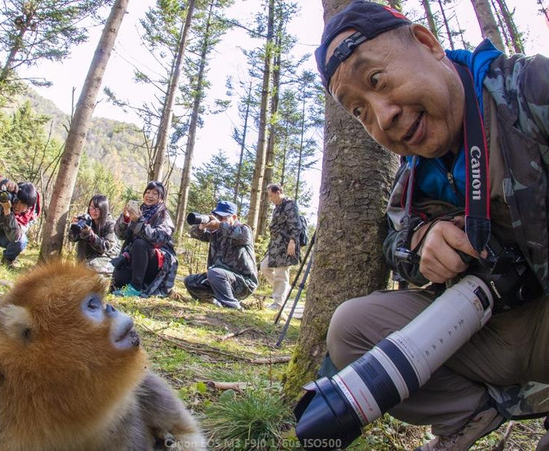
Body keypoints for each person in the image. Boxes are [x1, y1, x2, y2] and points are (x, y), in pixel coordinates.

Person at [315, 1, 549, 450]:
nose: (383, 117)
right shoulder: (416, 173)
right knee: (352, 329)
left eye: (377, 81)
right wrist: (423, 240)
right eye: (360, 112)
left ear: (427, 43)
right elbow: (394, 239)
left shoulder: (527, 91)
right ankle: (486, 408)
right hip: (511, 329)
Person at [184, 200, 257, 310]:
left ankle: (232, 306)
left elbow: (240, 235)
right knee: (190, 281)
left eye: (223, 218)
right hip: (219, 279)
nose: (219, 220)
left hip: (243, 283)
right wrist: (202, 226)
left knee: (214, 273)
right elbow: (194, 233)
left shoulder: (244, 230)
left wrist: (219, 225)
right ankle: (213, 302)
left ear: (234, 217)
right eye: (217, 216)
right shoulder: (217, 232)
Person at [112, 181, 177, 298]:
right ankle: (138, 284)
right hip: (136, 261)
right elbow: (120, 235)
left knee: (140, 243)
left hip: (157, 264)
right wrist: (125, 219)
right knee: (118, 280)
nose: (150, 196)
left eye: (155, 193)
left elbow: (159, 238)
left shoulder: (163, 215)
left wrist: (139, 221)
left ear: (161, 198)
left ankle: (135, 287)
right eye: (147, 192)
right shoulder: (138, 211)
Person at [0, 170, 40, 267]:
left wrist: (7, 210)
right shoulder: (7, 194)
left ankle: (8, 259)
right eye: (17, 200)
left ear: (28, 207)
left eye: (23, 204)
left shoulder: (29, 217)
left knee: (22, 240)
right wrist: (2, 181)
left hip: (6, 238)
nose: (17, 206)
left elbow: (15, 238)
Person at [260, 184, 301, 310]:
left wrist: (292, 242)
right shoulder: (277, 207)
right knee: (264, 267)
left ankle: (278, 303)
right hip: (275, 245)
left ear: (278, 192)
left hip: (285, 244)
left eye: (271, 195)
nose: (270, 198)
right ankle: (285, 289)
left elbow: (295, 224)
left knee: (280, 274)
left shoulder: (289, 205)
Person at [67, 194, 120, 274]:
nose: (93, 211)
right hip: (87, 261)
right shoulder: (86, 219)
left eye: (97, 208)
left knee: (89, 267)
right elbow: (71, 239)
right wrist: (75, 227)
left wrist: (90, 235)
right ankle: (80, 267)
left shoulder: (111, 224)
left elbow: (105, 247)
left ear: (104, 209)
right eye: (91, 207)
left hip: (106, 259)